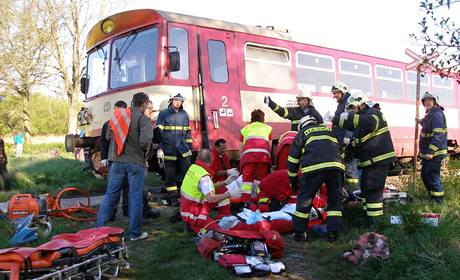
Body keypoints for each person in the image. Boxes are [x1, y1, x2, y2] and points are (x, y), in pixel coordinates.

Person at [333, 91, 396, 226]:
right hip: (370, 162)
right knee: (366, 190)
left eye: (353, 108)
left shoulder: (374, 113)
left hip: (378, 161)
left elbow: (369, 123)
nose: (352, 113)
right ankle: (368, 219)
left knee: (373, 191)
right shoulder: (362, 120)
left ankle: (375, 222)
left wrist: (347, 117)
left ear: (361, 104)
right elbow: (356, 141)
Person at [96, 92, 153, 241]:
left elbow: (108, 136)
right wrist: (144, 152)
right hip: (135, 162)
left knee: (110, 195)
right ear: (144, 104)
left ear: (132, 102)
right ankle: (135, 233)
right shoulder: (143, 119)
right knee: (135, 197)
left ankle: (99, 229)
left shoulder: (117, 117)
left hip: (117, 161)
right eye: (147, 105)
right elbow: (145, 141)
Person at [287, 115, 345, 242]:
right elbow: (341, 151)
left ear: (301, 126)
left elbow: (293, 160)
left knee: (305, 200)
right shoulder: (329, 130)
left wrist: (293, 182)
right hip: (336, 167)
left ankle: (300, 234)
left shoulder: (302, 134)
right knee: (334, 200)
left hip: (313, 169)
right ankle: (334, 233)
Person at [100, 100, 160, 220]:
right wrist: (104, 157)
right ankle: (120, 216)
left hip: (118, 160)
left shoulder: (115, 122)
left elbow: (108, 138)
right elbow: (104, 141)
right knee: (126, 190)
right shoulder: (120, 122)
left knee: (117, 190)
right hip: (126, 160)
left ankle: (110, 216)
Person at [180, 149, 240, 233]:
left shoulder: (194, 168)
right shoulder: (204, 177)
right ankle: (195, 226)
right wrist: (230, 194)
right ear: (212, 160)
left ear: (198, 157)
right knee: (219, 232)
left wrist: (225, 183)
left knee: (221, 190)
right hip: (194, 214)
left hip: (188, 209)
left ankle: (224, 217)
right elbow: (211, 199)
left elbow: (207, 188)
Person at [156, 93, 192, 200]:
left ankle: (186, 194)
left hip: (183, 149)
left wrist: (189, 148)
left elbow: (188, 132)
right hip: (168, 148)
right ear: (171, 101)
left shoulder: (185, 115)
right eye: (175, 100)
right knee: (169, 173)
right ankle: (172, 196)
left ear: (182, 102)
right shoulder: (163, 114)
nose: (178, 102)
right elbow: (159, 132)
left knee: (188, 171)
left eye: (180, 100)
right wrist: (159, 148)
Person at [417, 91, 447, 203]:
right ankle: (433, 198)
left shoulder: (437, 114)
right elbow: (428, 124)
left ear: (435, 102)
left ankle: (439, 201)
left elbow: (438, 133)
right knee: (426, 176)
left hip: (434, 153)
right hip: (429, 153)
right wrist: (420, 121)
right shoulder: (431, 114)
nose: (427, 102)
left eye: (430, 100)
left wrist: (431, 151)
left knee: (432, 177)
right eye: (425, 101)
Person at [330, 81, 359, 191]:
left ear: (342, 92)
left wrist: (347, 138)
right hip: (341, 140)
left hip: (346, 141)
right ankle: (349, 191)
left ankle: (354, 192)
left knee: (350, 166)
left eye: (336, 93)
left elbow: (351, 121)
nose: (334, 96)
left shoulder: (348, 103)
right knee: (345, 166)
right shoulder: (342, 103)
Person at [239, 109, 272, 203]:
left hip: (248, 156)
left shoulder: (245, 129)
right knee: (261, 179)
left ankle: (246, 203)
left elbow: (241, 147)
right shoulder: (268, 128)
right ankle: (263, 201)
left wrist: (242, 159)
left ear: (252, 118)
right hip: (263, 156)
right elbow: (269, 146)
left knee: (247, 181)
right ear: (263, 118)